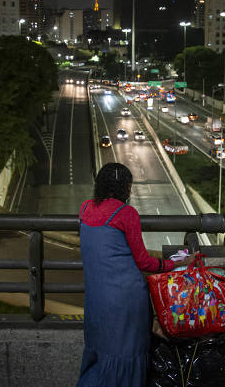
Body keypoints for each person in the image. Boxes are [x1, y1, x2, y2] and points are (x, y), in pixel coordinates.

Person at [76, 162, 195, 387]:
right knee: (127, 354)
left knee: (100, 354)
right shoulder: (126, 213)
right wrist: (176, 263)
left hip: (96, 300)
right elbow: (143, 261)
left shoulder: (84, 209)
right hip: (126, 300)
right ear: (126, 188)